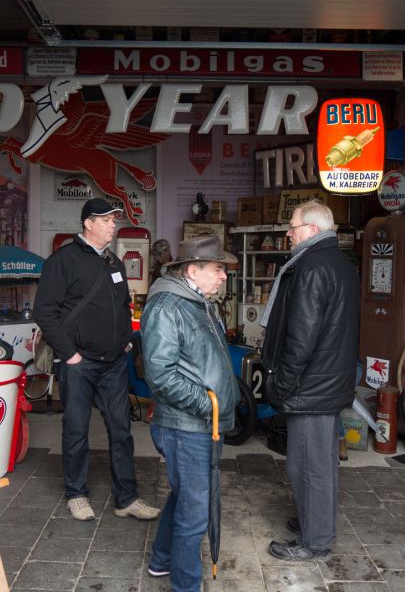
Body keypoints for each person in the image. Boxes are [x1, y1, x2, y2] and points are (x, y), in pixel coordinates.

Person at [33, 198, 160, 522]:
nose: (113, 224)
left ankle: (127, 498)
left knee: (122, 431)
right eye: (106, 220)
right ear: (88, 223)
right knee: (76, 429)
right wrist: (69, 354)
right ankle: (76, 493)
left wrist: (126, 343)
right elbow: (45, 312)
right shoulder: (62, 261)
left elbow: (120, 307)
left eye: (114, 219)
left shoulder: (114, 263)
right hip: (80, 363)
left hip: (114, 363)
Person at [260, 199, 360, 561]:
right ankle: (315, 523)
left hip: (311, 386)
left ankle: (315, 541)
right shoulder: (338, 263)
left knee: (307, 465)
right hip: (326, 381)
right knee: (322, 463)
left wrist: (281, 385)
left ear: (312, 231)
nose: (288, 233)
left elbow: (301, 338)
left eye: (293, 226)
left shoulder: (312, 267)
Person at [140, 234, 240, 591]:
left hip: (199, 425)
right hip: (188, 426)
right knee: (195, 512)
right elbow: (160, 374)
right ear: (193, 271)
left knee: (186, 497)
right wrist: (208, 405)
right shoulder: (168, 306)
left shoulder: (198, 301)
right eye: (218, 268)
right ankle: (186, 585)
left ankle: (162, 561)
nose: (224, 275)